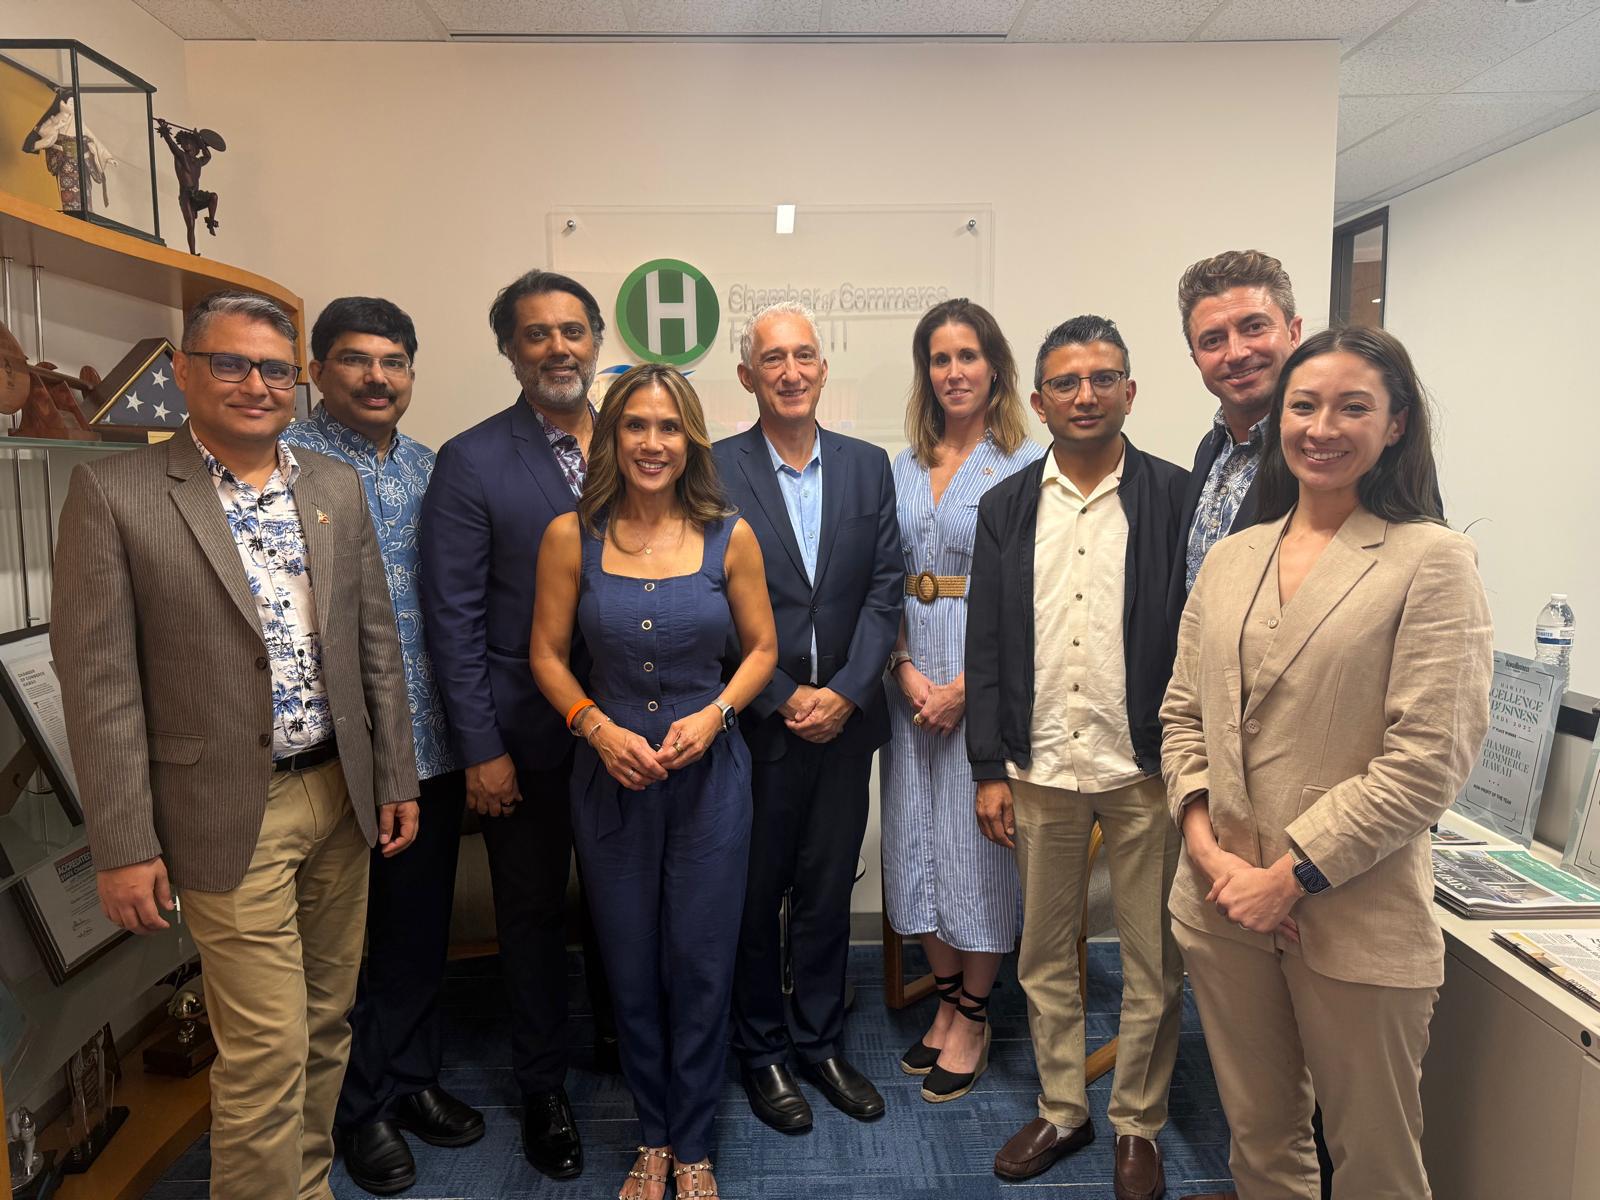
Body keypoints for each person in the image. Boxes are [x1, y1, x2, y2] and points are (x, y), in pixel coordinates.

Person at [50, 289, 420, 1200]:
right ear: (183, 372)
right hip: (225, 808)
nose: (256, 384)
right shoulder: (117, 493)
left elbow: (375, 643)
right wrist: (123, 843)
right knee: (266, 1047)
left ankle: (306, 1186)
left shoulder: (330, 487)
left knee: (327, 1023)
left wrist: (395, 775)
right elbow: (98, 684)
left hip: (339, 793)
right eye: (230, 363)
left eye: (274, 370)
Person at [1162, 327, 1494, 1200]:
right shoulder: (1232, 558)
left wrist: (1289, 878)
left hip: (1352, 914)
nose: (1322, 428)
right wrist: (1207, 852)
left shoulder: (1433, 560)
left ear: (1396, 424)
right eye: (1304, 406)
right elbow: (1183, 715)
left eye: (1353, 407)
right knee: (1260, 1146)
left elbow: (1428, 761)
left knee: (1376, 1164)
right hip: (1221, 906)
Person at [530, 364, 777, 1200]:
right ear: (611, 436)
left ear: (690, 439)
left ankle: (695, 1142)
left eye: (669, 426)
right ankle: (653, 1136)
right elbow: (545, 656)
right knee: (629, 966)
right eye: (635, 424)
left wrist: (718, 715)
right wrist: (593, 726)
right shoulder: (571, 535)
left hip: (711, 785)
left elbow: (763, 651)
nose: (652, 442)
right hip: (610, 784)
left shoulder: (729, 536)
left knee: (701, 964)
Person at [967, 316, 1186, 1200]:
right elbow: (986, 644)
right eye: (1066, 382)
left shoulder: (1174, 497)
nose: (1084, 395)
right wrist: (988, 767)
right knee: (1045, 956)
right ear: (1038, 399)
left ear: (1130, 391)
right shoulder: (1005, 507)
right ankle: (1064, 1108)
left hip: (1146, 770)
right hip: (1042, 767)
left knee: (1153, 962)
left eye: (1102, 379)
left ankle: (1138, 1123)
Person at [418, 269, 615, 1181]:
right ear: (509, 349)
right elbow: (452, 619)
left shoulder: (640, 438)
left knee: (622, 902)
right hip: (523, 741)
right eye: (536, 334)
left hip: (632, 734)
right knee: (531, 917)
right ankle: (543, 1087)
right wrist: (481, 751)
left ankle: (621, 1039)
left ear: (597, 341)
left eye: (572, 331)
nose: (558, 348)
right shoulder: (472, 460)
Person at [282, 297, 479, 1196]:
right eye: (356, 360)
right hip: (338, 754)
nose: (377, 377)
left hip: (431, 743)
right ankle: (358, 1111)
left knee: (415, 931)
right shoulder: (286, 464)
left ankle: (411, 1078)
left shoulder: (432, 469)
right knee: (341, 948)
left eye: (394, 362)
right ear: (317, 370)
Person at [713, 301, 902, 1133]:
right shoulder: (712, 469)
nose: (790, 372)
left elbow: (885, 591)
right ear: (747, 375)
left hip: (846, 724)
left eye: (804, 356)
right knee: (755, 896)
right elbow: (708, 595)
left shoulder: (867, 466)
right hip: (758, 724)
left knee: (828, 890)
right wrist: (782, 693)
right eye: (772, 359)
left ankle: (820, 1042)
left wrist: (849, 692)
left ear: (823, 368)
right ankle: (762, 1051)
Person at [881, 298, 1042, 1102]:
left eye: (968, 356)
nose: (954, 372)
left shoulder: (1027, 464)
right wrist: (903, 667)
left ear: (995, 366)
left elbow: (1033, 594)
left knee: (978, 852)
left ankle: (974, 1015)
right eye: (939, 359)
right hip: (910, 682)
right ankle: (946, 1003)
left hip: (986, 680)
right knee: (917, 845)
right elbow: (881, 576)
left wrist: (968, 690)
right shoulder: (902, 466)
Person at [1168, 250, 1302, 628]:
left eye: (1254, 327)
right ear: (1196, 359)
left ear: (1293, 333)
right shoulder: (1210, 449)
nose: (1237, 352)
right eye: (1213, 341)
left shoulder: (1330, 452)